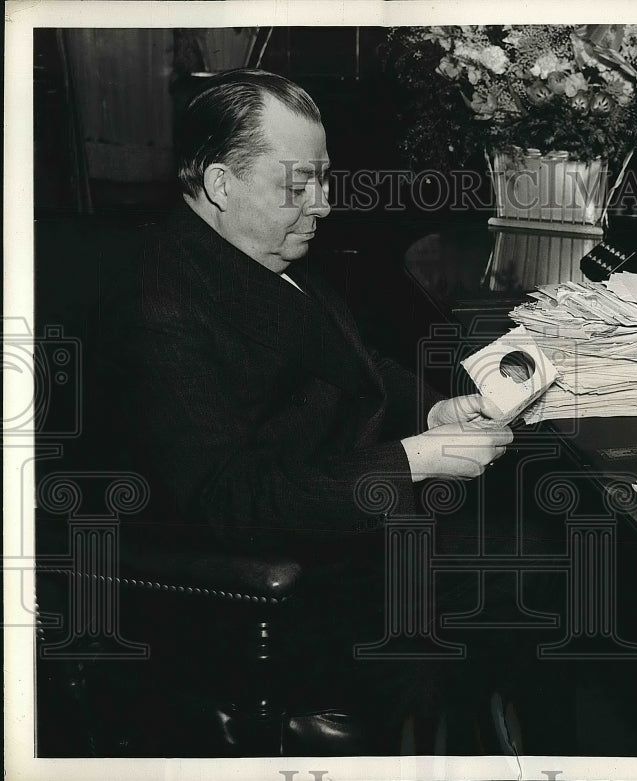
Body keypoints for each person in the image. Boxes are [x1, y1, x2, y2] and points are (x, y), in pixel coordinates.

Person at [98, 69, 530, 754]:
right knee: (536, 582)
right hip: (279, 586)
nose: (323, 206)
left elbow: (357, 365)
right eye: (298, 186)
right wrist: (415, 458)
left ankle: (484, 736)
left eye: (323, 180)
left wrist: (436, 408)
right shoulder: (163, 308)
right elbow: (229, 497)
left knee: (534, 554)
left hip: (352, 524)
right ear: (220, 183)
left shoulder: (255, 244)